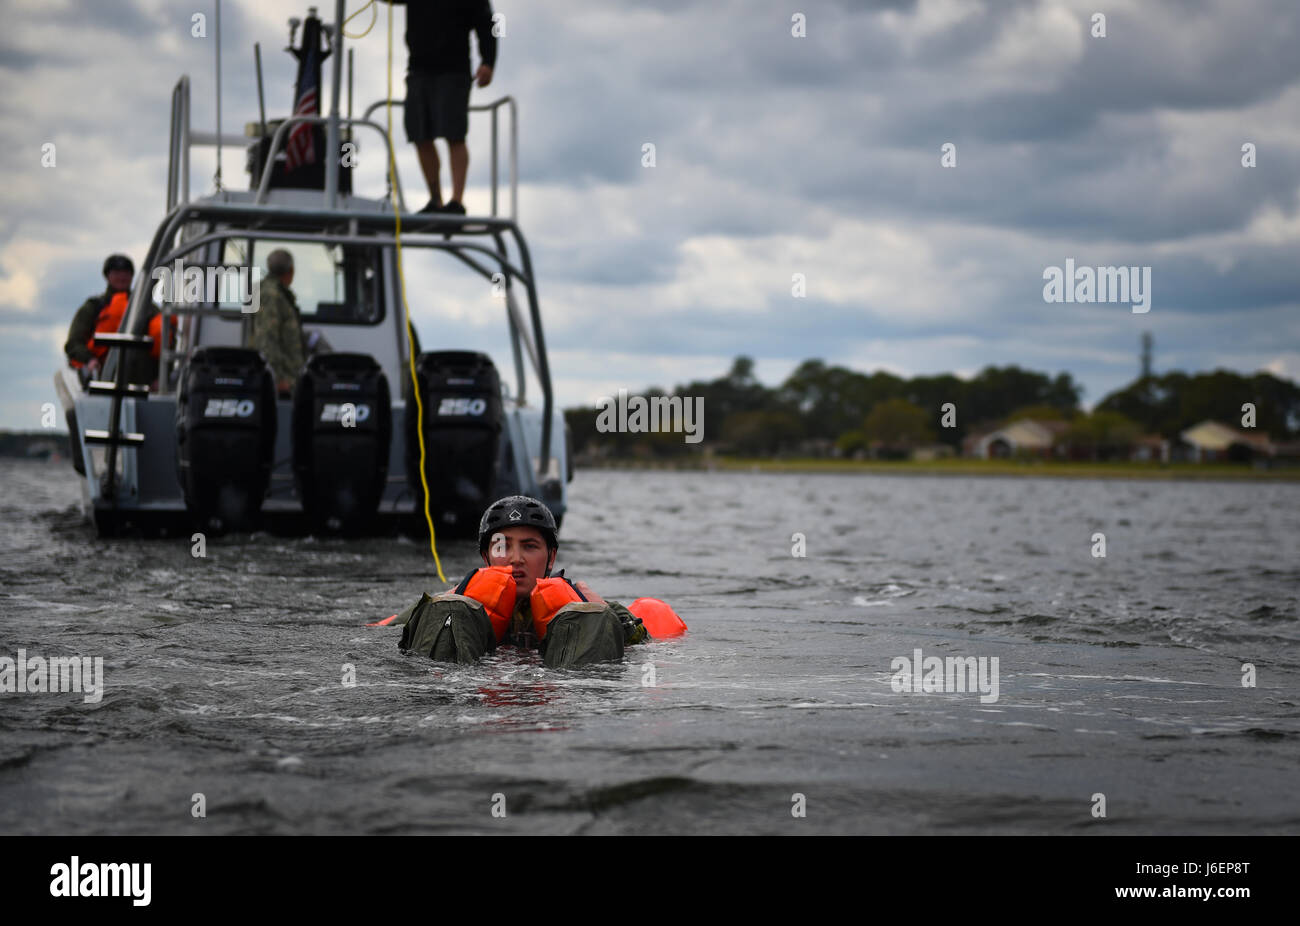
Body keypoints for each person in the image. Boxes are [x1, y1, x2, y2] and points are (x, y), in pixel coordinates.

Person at [393, 495, 650, 667]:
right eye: (502, 546)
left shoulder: (586, 605)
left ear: (551, 557)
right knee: (449, 610)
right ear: (486, 556)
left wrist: (605, 613)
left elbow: (644, 645)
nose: (516, 559)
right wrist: (441, 606)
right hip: (477, 696)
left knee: (591, 616)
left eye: (529, 546)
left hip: (555, 696)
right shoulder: (453, 603)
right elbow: (386, 635)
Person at [383, 0, 497, 215]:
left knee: (454, 134)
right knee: (419, 134)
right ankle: (436, 201)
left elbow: (493, 23)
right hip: (418, 69)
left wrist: (489, 61)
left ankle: (456, 201)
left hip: (454, 70)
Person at [64, 254, 163, 387]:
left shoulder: (147, 308)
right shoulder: (93, 307)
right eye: (116, 272)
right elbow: (73, 343)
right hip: (101, 376)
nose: (122, 276)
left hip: (142, 381)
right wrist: (90, 360)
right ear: (107, 276)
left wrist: (159, 376)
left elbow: (165, 341)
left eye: (126, 272)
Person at [250, 249, 306, 397]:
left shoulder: (274, 293)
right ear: (291, 270)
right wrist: (278, 379)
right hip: (279, 383)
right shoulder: (271, 295)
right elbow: (267, 339)